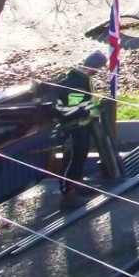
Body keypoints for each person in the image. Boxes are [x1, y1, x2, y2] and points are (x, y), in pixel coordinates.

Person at [52, 51, 105, 209]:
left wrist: (91, 108)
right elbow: (68, 111)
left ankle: (78, 183)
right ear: (94, 67)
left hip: (82, 126)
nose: (99, 71)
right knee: (72, 159)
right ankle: (67, 190)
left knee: (80, 157)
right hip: (73, 127)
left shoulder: (83, 79)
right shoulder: (76, 83)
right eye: (100, 68)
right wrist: (90, 112)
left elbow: (82, 103)